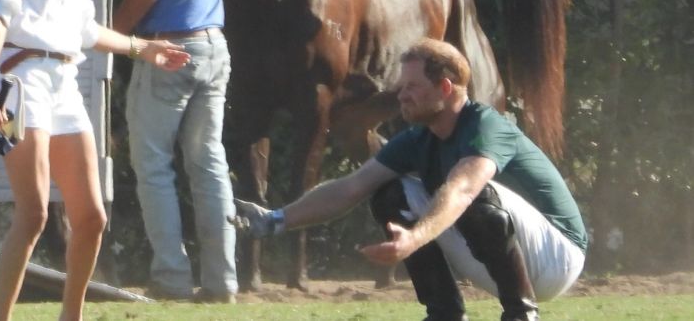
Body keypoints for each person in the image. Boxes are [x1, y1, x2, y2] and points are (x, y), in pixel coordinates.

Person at [232, 39, 587, 321]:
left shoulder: (486, 125)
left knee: (473, 191)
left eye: (412, 86)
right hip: (501, 258)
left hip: (556, 258)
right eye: (401, 87)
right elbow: (350, 187)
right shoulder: (420, 137)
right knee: (388, 193)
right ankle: (444, 313)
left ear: (445, 87)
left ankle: (521, 315)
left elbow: (463, 190)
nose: (401, 95)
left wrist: (414, 238)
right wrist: (275, 220)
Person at [0, 0, 191, 319]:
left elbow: (84, 31)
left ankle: (72, 317)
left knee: (91, 216)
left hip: (62, 82)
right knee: (33, 214)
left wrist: (143, 49)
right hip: (22, 79)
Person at [113, 0, 237, 303]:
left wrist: (114, 37)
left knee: (152, 166)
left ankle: (171, 278)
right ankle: (223, 282)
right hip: (212, 45)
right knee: (208, 164)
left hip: (167, 48)